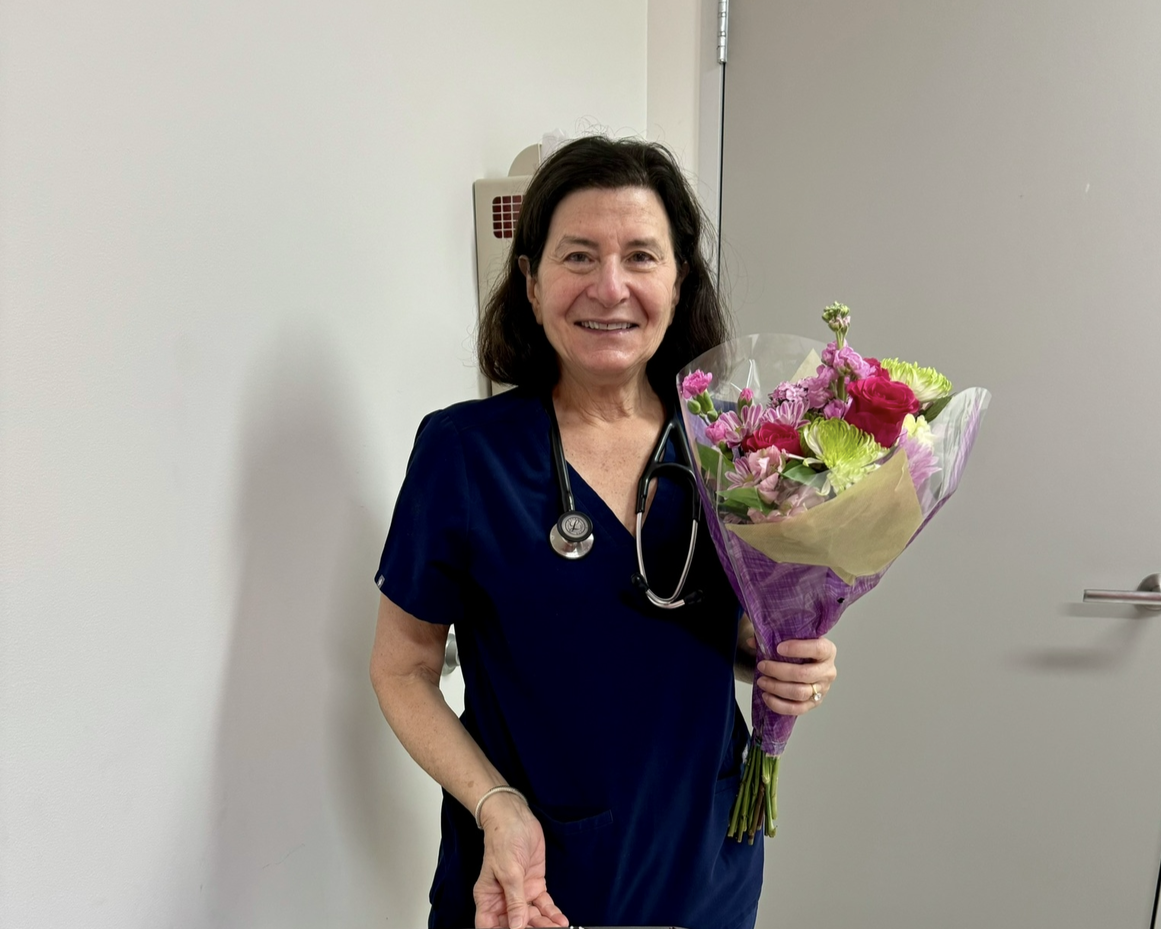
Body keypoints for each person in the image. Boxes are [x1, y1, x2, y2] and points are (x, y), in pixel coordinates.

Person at [369, 136, 837, 929]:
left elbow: (704, 632)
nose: (609, 287)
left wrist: (788, 659)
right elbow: (402, 668)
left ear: (677, 278)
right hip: (527, 877)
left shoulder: (734, 449)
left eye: (641, 256)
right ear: (530, 279)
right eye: (578, 255)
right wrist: (495, 805)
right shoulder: (464, 451)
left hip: (701, 864)